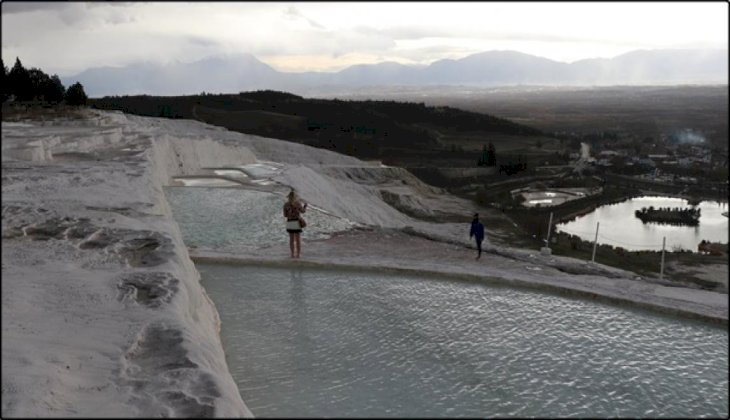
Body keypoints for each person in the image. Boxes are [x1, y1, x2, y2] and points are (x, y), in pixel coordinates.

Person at [283, 189, 308, 258]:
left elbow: (285, 215)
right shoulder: (298, 203)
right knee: (297, 239)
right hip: (296, 221)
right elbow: (303, 211)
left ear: (288, 197)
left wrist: (290, 213)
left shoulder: (286, 204)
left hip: (290, 222)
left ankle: (292, 254)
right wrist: (305, 206)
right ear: (295, 197)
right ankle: (298, 255)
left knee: (291, 240)